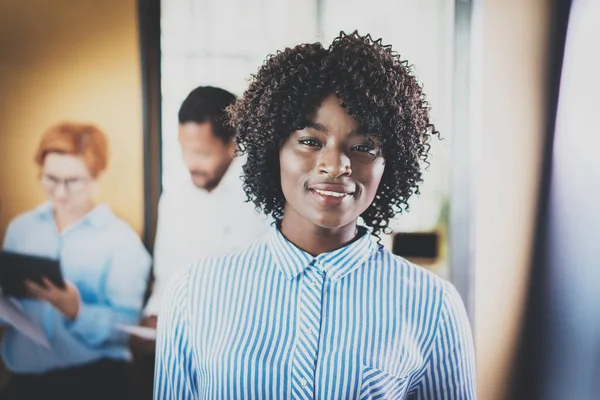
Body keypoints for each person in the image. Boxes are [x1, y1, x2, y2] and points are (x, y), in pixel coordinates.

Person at [154, 32, 476, 399]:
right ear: (272, 148)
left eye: (362, 146)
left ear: (391, 162)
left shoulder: (433, 307)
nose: (335, 165)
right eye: (310, 141)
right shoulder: (193, 293)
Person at [1, 122, 151, 400]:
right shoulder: (21, 228)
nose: (59, 192)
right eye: (50, 179)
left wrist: (76, 311)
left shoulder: (122, 242)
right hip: (23, 384)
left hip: (93, 385)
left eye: (72, 181)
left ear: (96, 178)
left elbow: (127, 329)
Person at [139, 86, 271, 328]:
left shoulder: (265, 199)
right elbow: (165, 280)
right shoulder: (173, 200)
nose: (191, 163)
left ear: (234, 144)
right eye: (184, 150)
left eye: (202, 153)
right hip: (179, 335)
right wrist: (153, 316)